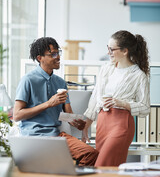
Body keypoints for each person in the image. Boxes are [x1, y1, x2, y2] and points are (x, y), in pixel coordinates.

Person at [13, 37, 98, 166]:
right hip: (33, 137)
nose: (58, 57)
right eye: (53, 54)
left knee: (91, 154)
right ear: (39, 58)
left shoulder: (60, 82)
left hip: (56, 136)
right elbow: (17, 115)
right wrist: (49, 103)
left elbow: (68, 113)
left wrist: (77, 123)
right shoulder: (28, 80)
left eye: (58, 53)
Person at [82, 30, 150, 167]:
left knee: (102, 167)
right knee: (107, 168)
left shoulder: (139, 75)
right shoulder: (106, 69)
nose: (108, 52)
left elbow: (145, 107)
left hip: (121, 124)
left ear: (125, 51)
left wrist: (122, 103)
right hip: (102, 122)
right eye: (108, 48)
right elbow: (95, 98)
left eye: (112, 49)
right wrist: (86, 126)